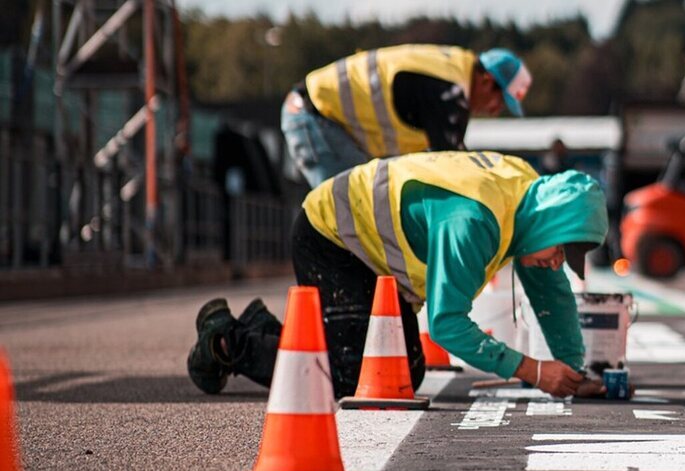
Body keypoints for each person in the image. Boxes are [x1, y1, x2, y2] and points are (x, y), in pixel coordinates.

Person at [187, 151, 609, 398]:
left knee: (403, 372)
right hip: (332, 237)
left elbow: (552, 293)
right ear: (549, 225)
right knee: (357, 375)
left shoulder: (530, 201)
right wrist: (534, 371)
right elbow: (446, 325)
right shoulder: (476, 221)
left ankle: (260, 328)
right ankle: (228, 341)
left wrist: (573, 372)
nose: (558, 263)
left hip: (367, 255)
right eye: (559, 251)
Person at [282, 45, 532, 187]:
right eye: (499, 102)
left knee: (364, 203)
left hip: (319, 116)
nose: (494, 111)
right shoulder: (450, 92)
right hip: (313, 116)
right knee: (350, 206)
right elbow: (454, 169)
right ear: (487, 81)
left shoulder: (453, 69)